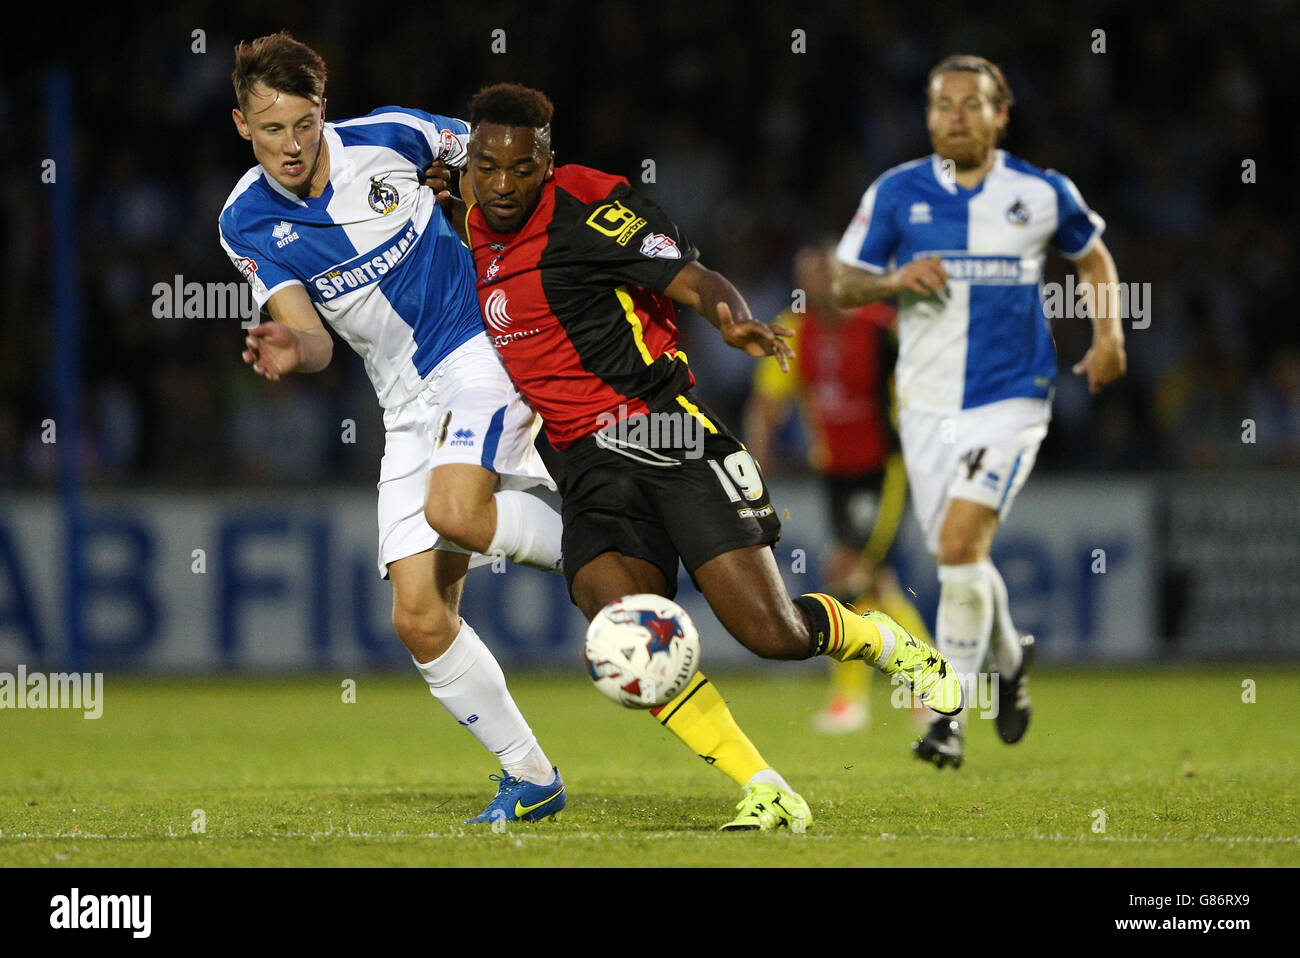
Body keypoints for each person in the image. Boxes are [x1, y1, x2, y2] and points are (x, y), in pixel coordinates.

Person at [459, 82, 964, 830]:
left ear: (548, 162)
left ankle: (889, 643)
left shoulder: (594, 208)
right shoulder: (461, 211)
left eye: (521, 168)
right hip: (585, 467)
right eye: (487, 165)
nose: (503, 184)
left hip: (669, 435)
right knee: (620, 631)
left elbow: (693, 279)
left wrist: (732, 321)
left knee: (772, 635)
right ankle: (764, 787)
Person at [218, 32, 570, 824]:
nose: (291, 145)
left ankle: (614, 546)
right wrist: (290, 346)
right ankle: (533, 775)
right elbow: (310, 337)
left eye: (304, 124)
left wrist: (471, 197)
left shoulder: (395, 137)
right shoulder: (244, 221)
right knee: (418, 616)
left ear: (323, 112)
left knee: (455, 512)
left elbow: (511, 165)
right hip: (404, 405)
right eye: (271, 129)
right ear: (243, 125)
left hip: (480, 347)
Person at [832, 55, 1127, 768]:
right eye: (941, 105)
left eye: (971, 104)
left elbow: (1093, 259)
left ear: (1001, 113)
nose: (954, 116)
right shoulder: (897, 193)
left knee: (960, 545)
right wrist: (893, 277)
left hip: (1012, 397)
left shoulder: (1041, 191)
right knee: (960, 560)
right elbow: (842, 283)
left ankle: (950, 717)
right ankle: (1011, 661)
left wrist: (1110, 334)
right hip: (926, 408)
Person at [744, 243, 934, 734]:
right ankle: (930, 685)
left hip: (883, 469)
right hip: (835, 473)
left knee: (847, 576)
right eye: (807, 279)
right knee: (875, 585)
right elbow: (767, 402)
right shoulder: (794, 331)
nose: (817, 289)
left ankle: (852, 702)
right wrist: (753, 467)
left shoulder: (879, 328)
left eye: (826, 277)